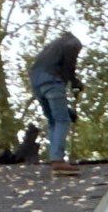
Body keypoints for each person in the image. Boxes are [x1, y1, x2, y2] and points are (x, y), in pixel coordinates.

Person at [27, 32, 83, 163]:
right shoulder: (73, 43)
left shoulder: (50, 47)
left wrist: (68, 111)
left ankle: (53, 157)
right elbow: (70, 67)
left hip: (37, 83)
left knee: (53, 120)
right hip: (52, 81)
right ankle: (57, 159)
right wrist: (76, 83)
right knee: (63, 120)